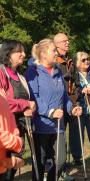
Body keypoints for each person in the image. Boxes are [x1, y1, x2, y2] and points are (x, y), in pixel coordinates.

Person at [25, 38, 82, 181]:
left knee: (60, 161)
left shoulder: (57, 71)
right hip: (40, 125)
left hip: (58, 125)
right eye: (53, 50)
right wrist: (50, 112)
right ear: (43, 54)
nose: (56, 53)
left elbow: (63, 96)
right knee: (40, 164)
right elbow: (34, 97)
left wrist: (71, 109)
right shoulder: (33, 71)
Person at [0, 40, 36, 181]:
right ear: (8, 54)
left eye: (23, 51)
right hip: (5, 130)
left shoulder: (20, 76)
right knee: (5, 169)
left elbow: (29, 101)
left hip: (19, 127)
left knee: (12, 169)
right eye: (19, 51)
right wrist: (25, 104)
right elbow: (4, 102)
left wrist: (29, 108)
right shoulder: (1, 73)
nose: (23, 54)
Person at [54, 32, 75, 180]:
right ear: (56, 44)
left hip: (70, 102)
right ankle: (56, 170)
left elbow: (75, 81)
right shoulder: (53, 61)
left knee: (66, 137)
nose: (67, 43)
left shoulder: (69, 60)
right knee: (58, 138)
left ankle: (63, 169)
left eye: (67, 41)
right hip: (57, 105)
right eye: (64, 41)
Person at [0, 89, 24, 180]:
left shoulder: (2, 91)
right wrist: (17, 142)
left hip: (5, 164)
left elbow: (11, 119)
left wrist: (15, 152)